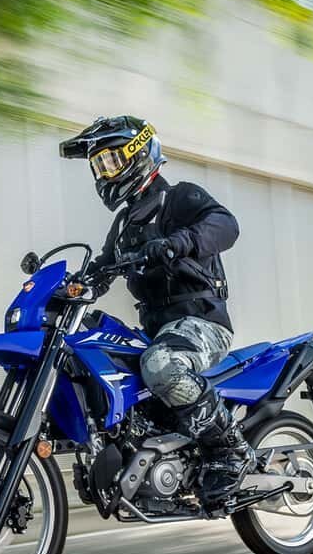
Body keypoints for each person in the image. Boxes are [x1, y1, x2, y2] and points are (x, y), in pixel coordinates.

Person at [59, 115, 254, 502]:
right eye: (99, 166)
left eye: (111, 161)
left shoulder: (179, 198)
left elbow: (226, 225)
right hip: (157, 330)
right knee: (87, 350)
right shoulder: (124, 225)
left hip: (200, 322)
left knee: (160, 365)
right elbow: (102, 268)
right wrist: (74, 286)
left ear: (139, 154)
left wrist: (179, 242)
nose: (105, 173)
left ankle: (229, 449)